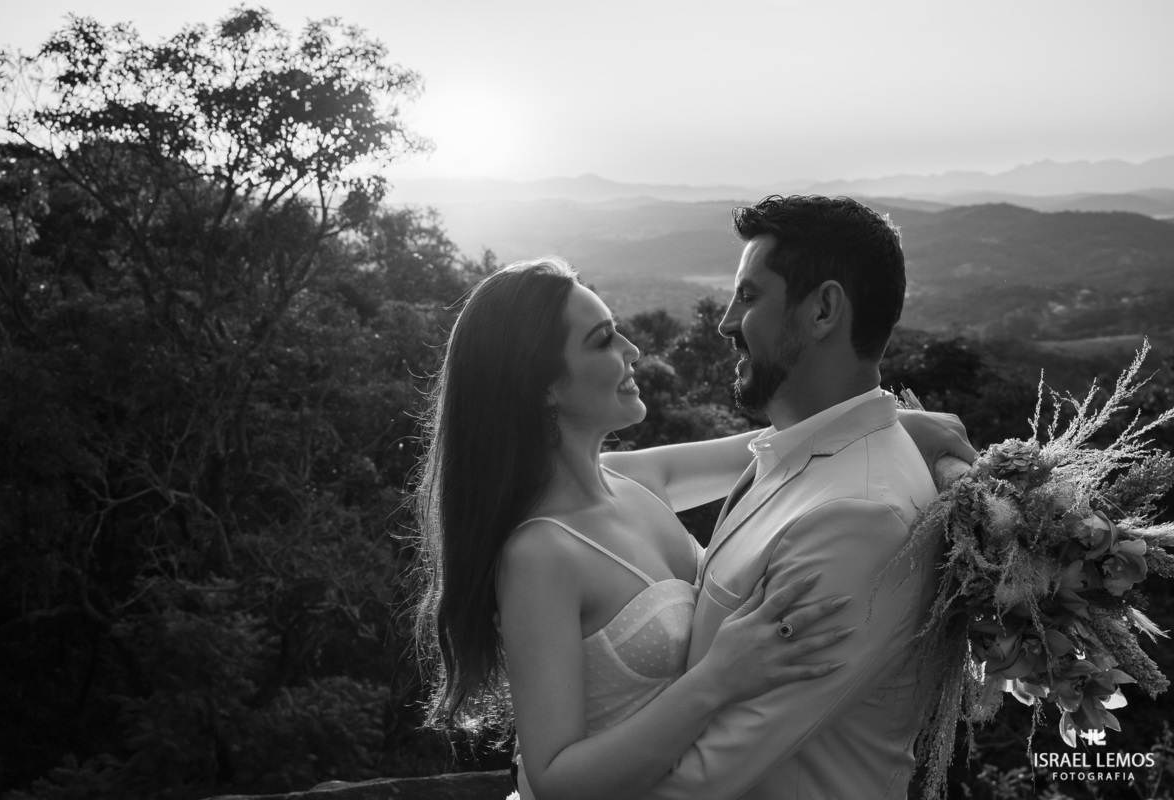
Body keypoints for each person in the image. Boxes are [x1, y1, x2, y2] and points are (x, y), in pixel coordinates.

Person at [411, 246, 973, 799]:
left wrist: (890, 424)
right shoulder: (541, 554)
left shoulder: (629, 480)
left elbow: (769, 448)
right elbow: (556, 777)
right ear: (544, 388)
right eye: (603, 340)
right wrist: (716, 679)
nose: (632, 350)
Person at [633, 194, 955, 800]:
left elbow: (703, 783)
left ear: (823, 309)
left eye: (749, 296)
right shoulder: (796, 457)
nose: (727, 321)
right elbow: (600, 482)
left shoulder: (858, 518)